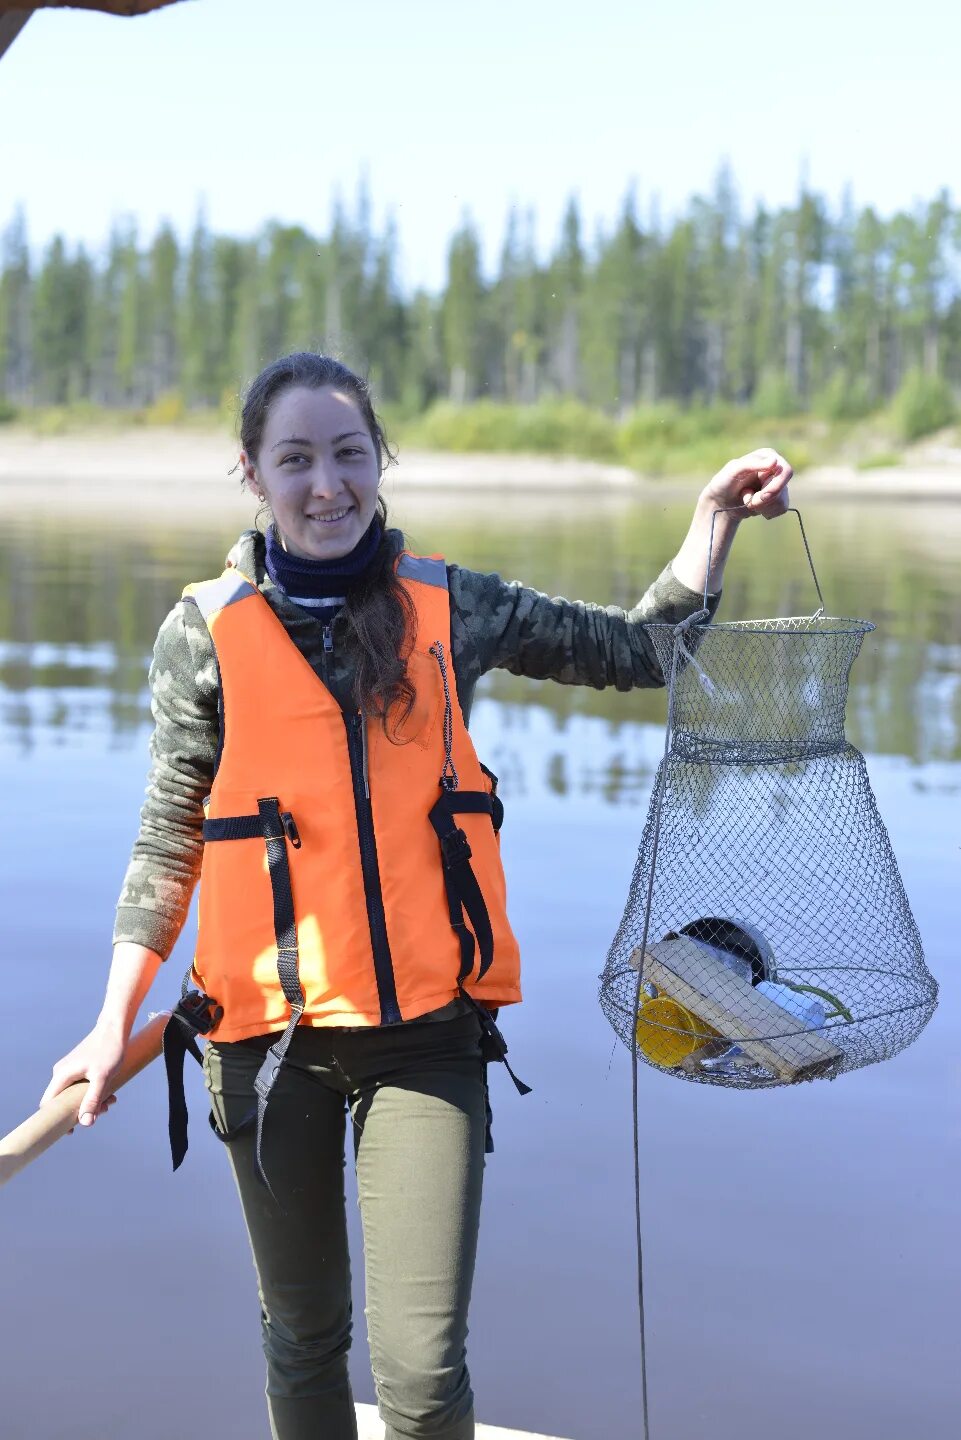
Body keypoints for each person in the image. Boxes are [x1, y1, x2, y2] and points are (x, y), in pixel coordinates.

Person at [40, 352, 792, 1440]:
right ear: (253, 473)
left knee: (424, 1374)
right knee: (301, 1341)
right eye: (295, 459)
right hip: (264, 1044)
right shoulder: (202, 633)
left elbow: (642, 651)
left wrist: (712, 520)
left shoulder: (455, 607)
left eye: (349, 454)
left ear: (380, 462)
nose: (326, 485)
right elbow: (168, 841)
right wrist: (112, 1024)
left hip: (428, 1041)